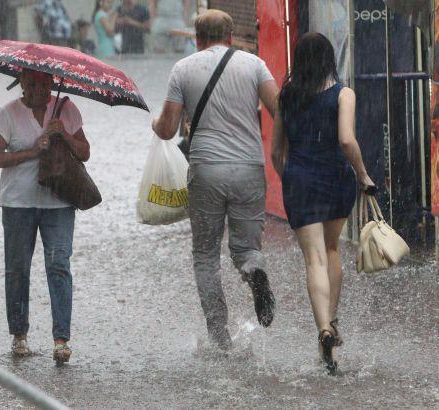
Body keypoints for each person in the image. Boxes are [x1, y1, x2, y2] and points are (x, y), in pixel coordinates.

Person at [152, 9, 279, 350]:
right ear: (231, 36)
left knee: (206, 254)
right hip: (249, 167)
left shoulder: (183, 68)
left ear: (197, 38)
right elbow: (278, 108)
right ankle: (254, 270)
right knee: (246, 247)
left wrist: (156, 123)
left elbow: (167, 129)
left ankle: (220, 336)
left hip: (206, 168)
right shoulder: (253, 64)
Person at [271, 32, 375, 374]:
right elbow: (346, 140)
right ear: (330, 58)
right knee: (331, 251)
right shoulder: (344, 94)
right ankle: (332, 321)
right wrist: (362, 174)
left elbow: (276, 151)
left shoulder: (287, 96)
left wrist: (290, 176)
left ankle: (324, 330)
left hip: (300, 178)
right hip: (335, 178)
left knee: (313, 258)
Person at [0, 69, 90, 362]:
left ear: (52, 83)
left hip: (59, 203)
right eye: (30, 83)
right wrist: (31, 152)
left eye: (43, 83)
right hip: (18, 204)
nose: (36, 89)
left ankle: (61, 339)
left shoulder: (67, 110)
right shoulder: (6, 114)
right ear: (21, 82)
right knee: (17, 268)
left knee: (59, 264)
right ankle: (19, 335)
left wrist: (65, 135)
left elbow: (85, 152)